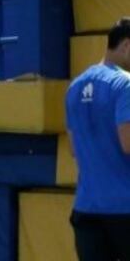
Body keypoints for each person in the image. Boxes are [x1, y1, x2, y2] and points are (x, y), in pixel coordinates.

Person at [65, 17, 130, 261]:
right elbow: (128, 142)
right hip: (125, 209)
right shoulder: (126, 84)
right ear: (126, 45)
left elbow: (73, 148)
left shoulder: (74, 87)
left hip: (87, 210)